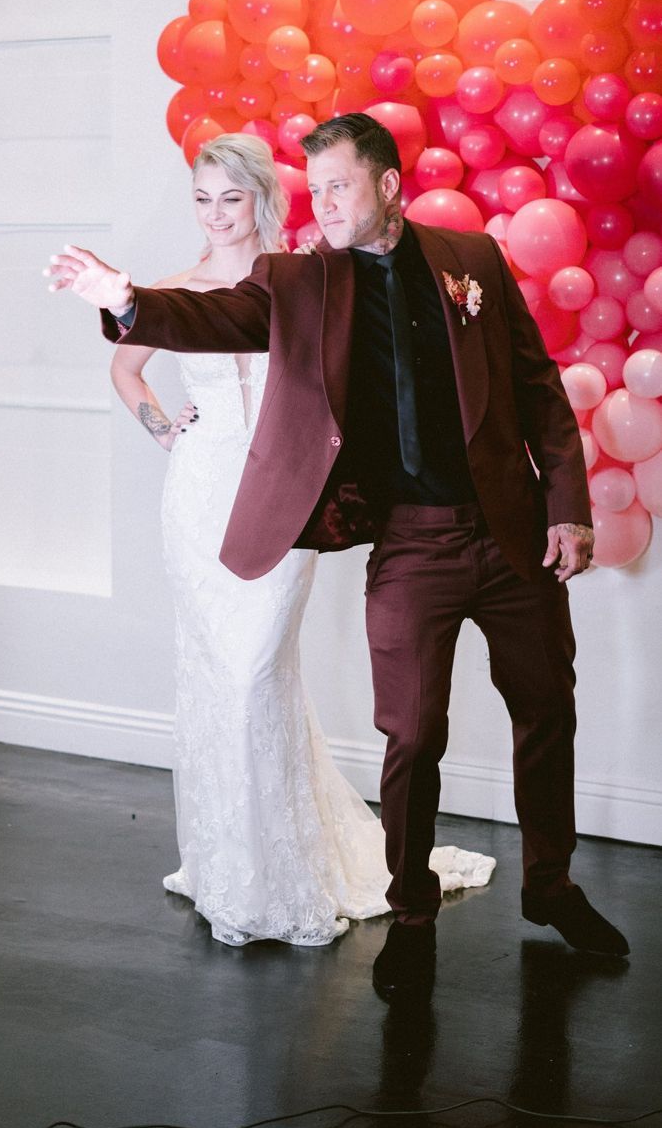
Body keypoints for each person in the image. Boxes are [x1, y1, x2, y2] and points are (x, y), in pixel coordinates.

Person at [47, 112, 628, 997]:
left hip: (510, 534)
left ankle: (551, 887)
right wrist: (127, 300)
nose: (322, 204)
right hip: (411, 545)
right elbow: (214, 316)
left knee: (547, 711)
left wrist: (568, 508)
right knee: (412, 734)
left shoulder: (473, 261)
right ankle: (413, 909)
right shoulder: (303, 279)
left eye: (340, 186)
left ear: (389, 186)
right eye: (313, 189)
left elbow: (538, 384)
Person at [108, 133, 493, 948]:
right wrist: (163, 429)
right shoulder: (175, 287)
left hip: (286, 494)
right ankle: (229, 869)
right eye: (202, 200)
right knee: (218, 676)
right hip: (202, 498)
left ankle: (283, 870)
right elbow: (125, 367)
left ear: (263, 202)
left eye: (231, 199)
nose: (216, 216)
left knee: (256, 674)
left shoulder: (309, 278)